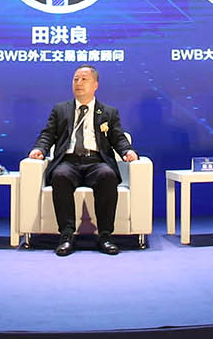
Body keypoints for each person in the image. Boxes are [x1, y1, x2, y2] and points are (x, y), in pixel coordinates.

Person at [27, 65, 136, 254]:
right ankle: (67, 235)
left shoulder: (108, 112)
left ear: (95, 85)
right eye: (75, 79)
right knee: (60, 176)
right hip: (69, 161)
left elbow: (118, 138)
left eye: (84, 79)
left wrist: (127, 151)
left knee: (108, 175)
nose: (78, 83)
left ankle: (105, 236)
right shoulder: (60, 109)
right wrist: (40, 149)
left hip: (96, 161)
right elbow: (48, 134)